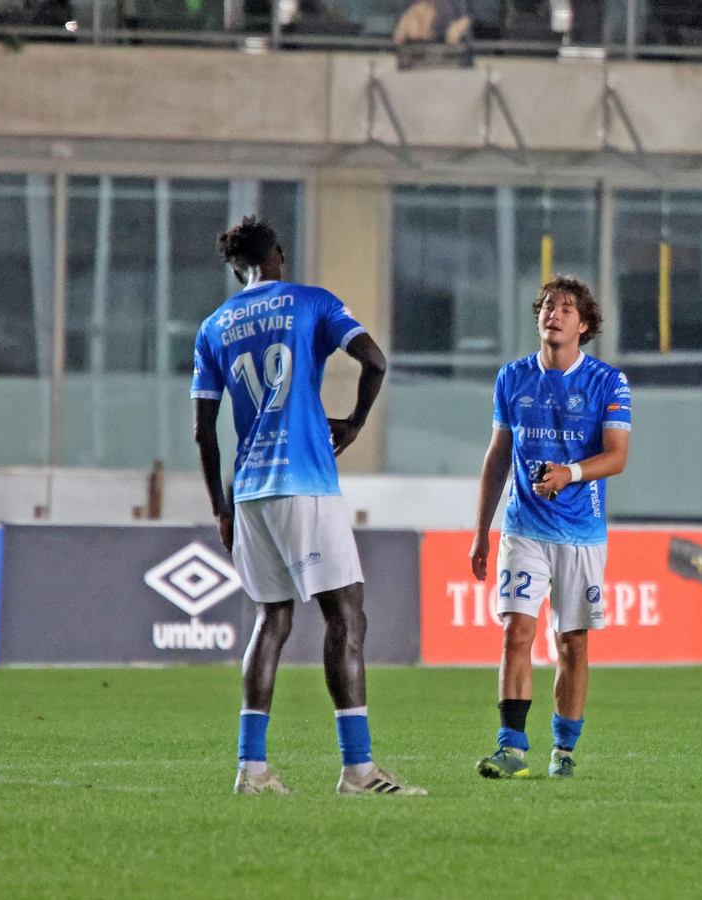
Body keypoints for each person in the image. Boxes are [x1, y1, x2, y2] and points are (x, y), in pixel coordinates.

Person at [192, 216, 425, 796]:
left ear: (237, 269)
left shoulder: (214, 327)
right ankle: (358, 770)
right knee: (346, 615)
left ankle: (251, 768)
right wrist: (355, 422)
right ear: (277, 254)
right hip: (303, 481)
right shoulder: (311, 302)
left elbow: (203, 432)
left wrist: (221, 507)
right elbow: (375, 361)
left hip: (249, 491)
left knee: (271, 619)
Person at [470, 276, 631, 780]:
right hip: (523, 527)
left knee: (572, 643)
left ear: (584, 325)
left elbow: (617, 456)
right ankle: (511, 749)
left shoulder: (607, 382)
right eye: (547, 306)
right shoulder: (512, 378)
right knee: (516, 632)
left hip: (581, 533)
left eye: (565, 309)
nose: (553, 314)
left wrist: (571, 473)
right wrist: (481, 530)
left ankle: (563, 749)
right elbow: (498, 456)